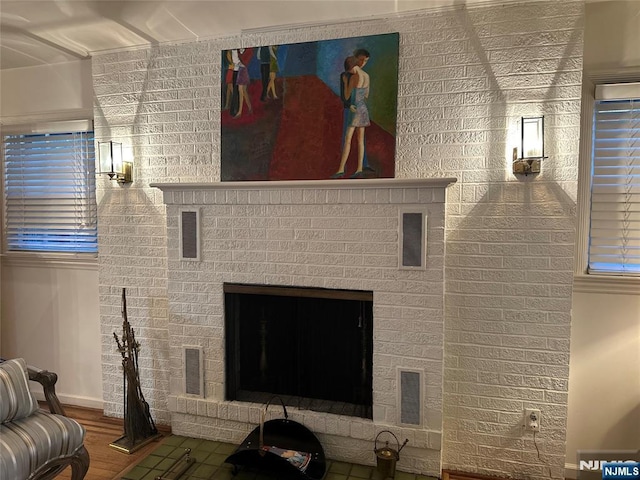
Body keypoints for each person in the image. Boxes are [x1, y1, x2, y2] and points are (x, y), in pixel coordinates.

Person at [332, 49, 371, 178]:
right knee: (360, 140)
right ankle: (359, 168)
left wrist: (345, 82)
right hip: (363, 108)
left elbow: (348, 95)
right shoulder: (366, 76)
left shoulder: (354, 76)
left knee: (348, 139)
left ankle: (341, 168)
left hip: (354, 109)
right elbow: (366, 95)